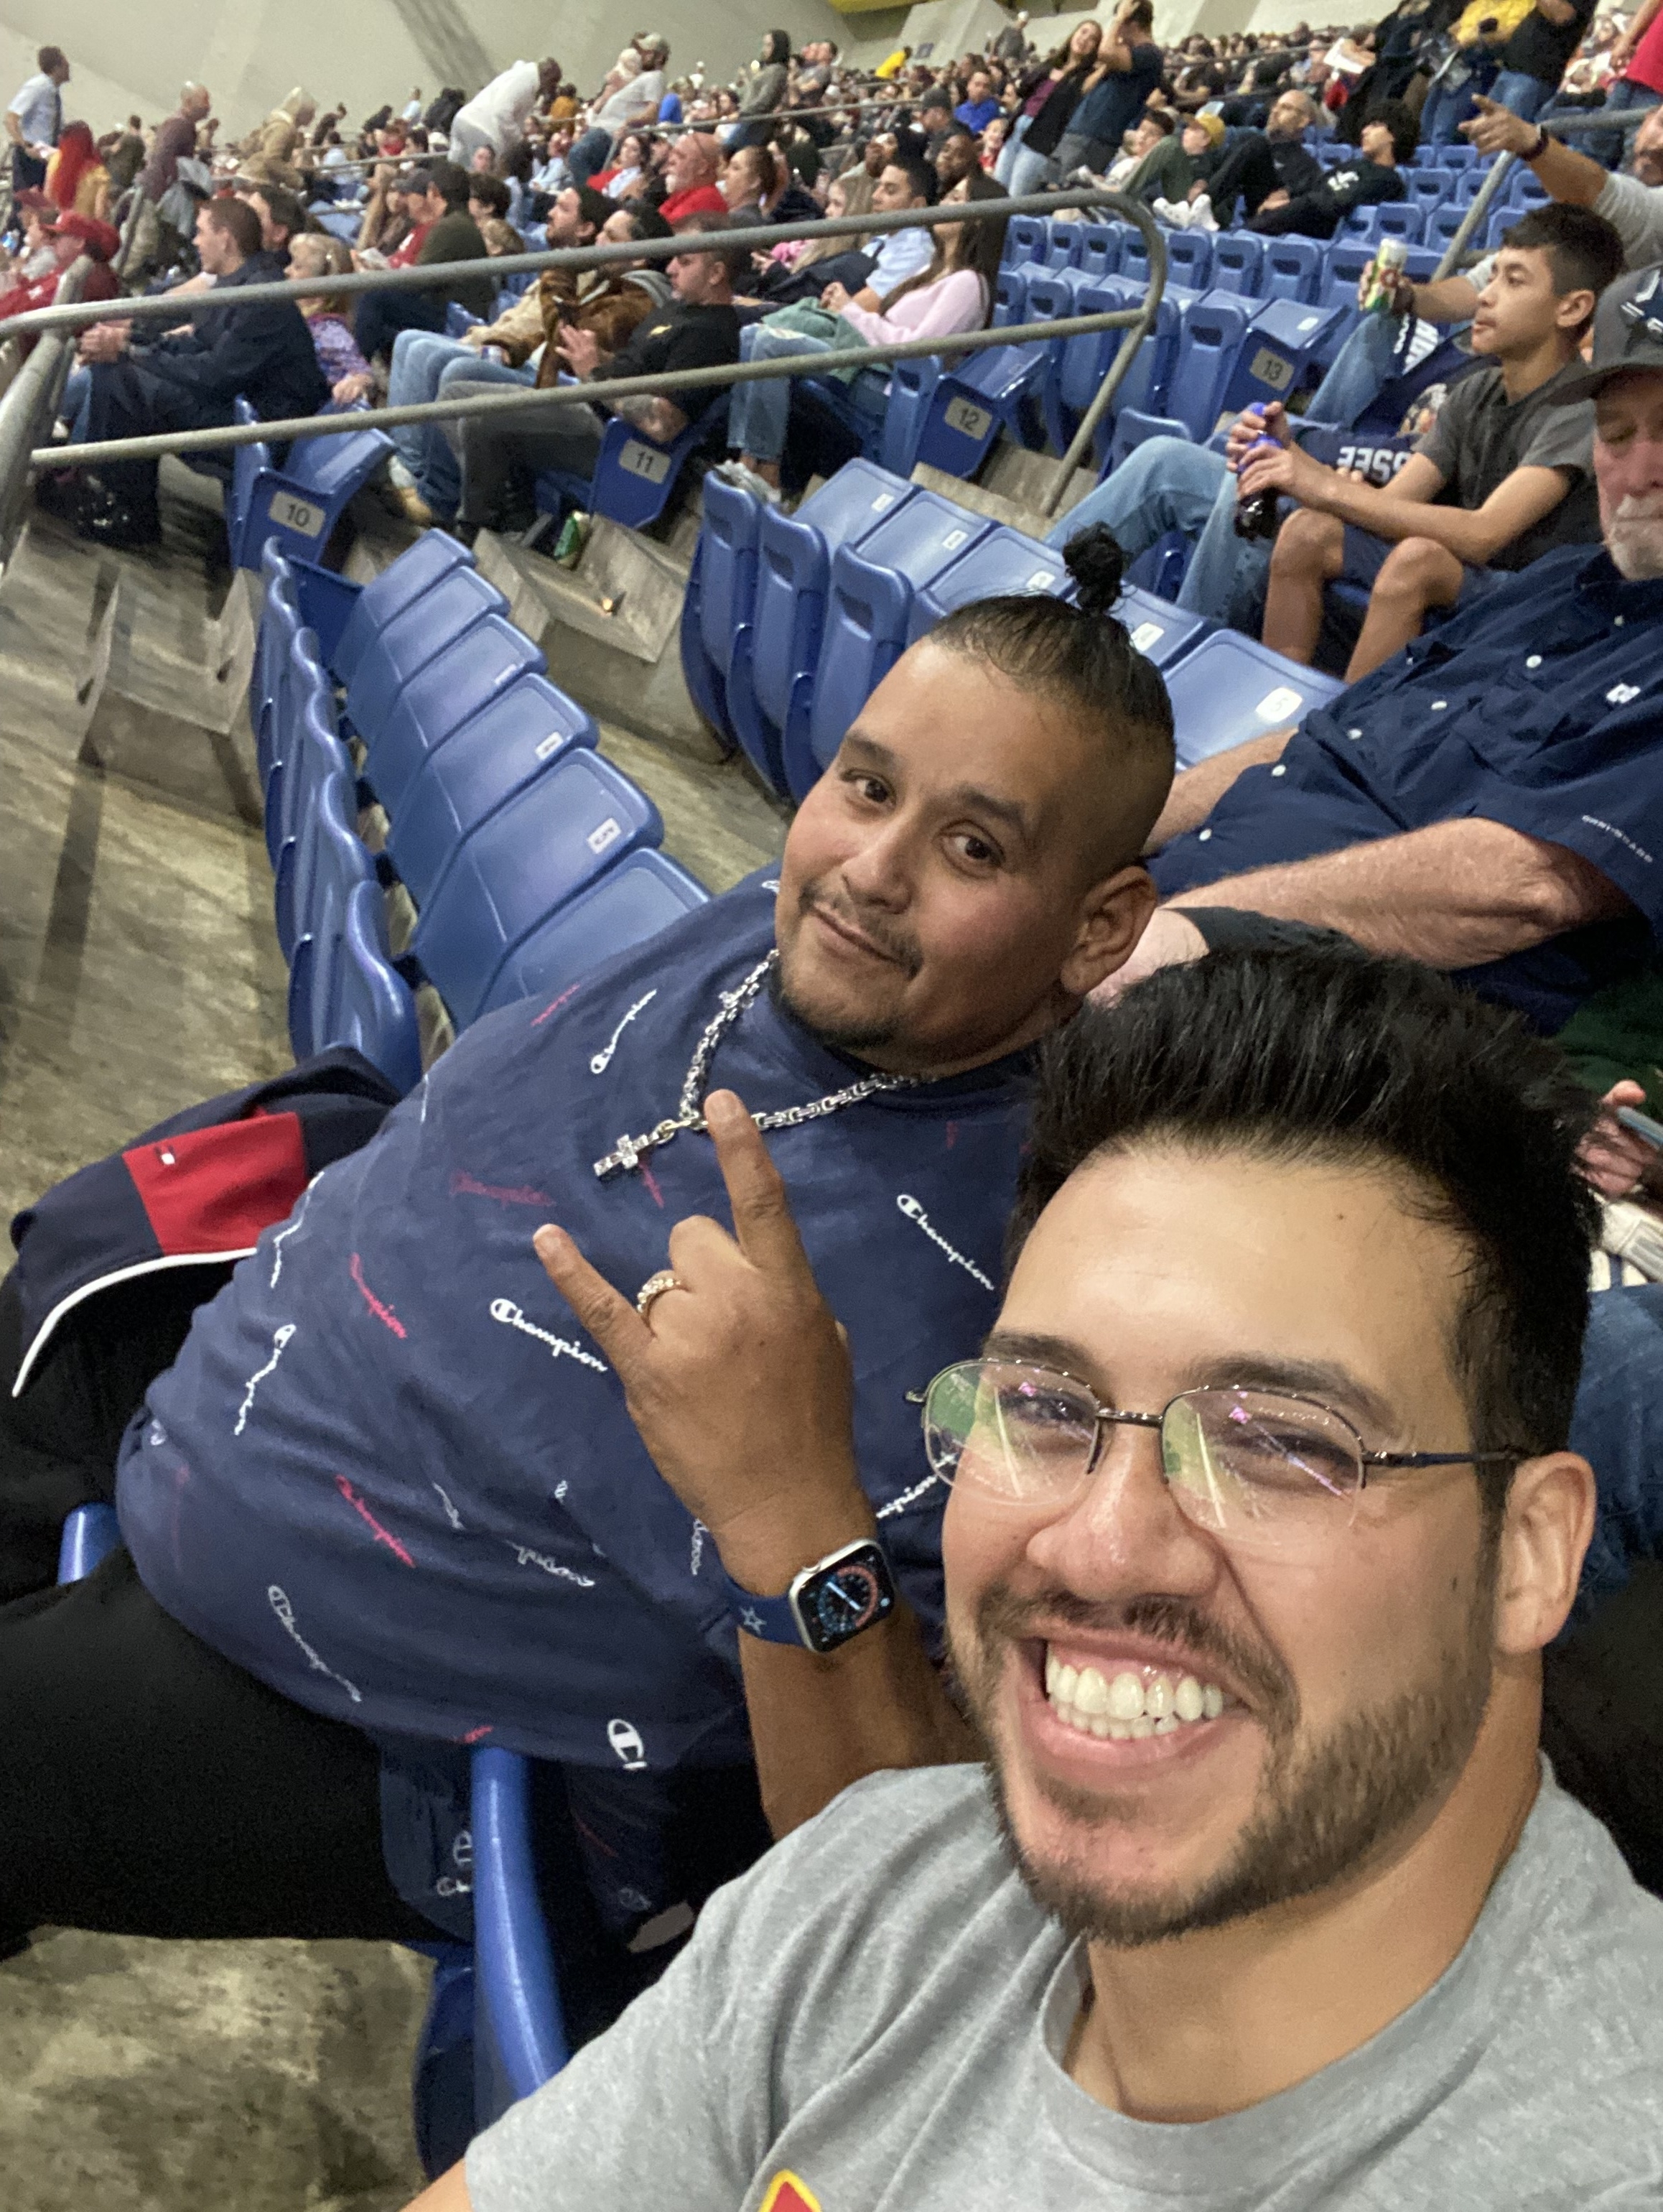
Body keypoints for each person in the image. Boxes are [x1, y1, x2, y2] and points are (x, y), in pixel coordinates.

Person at [0, 534, 1175, 2012]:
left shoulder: (1013, 1293)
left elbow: (897, 1850)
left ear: (1098, 926)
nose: (870, 873)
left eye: (976, 850)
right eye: (868, 786)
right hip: (203, 1404)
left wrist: (796, 1506)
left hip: (374, 1715)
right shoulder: (775, 932)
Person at [411, 937, 1663, 2212]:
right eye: (1047, 1407)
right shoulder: (881, 1894)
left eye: (1279, 1445)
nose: (1101, 1547)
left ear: (1530, 1552)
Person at [1121, 265, 1663, 1041]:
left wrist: (1193, 927)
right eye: (1614, 433)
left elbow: (1526, 887)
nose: (1639, 473)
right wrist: (1113, 831)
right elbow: (1326, 734)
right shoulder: (1555, 583)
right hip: (1179, 923)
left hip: (1295, 1015)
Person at [1245, 203, 1619, 677]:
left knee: (1417, 561)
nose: (1486, 297)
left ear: (1572, 308)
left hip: (1544, 599)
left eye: (1514, 281)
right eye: (1492, 277)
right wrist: (1291, 458)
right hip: (1475, 578)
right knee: (1307, 531)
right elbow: (1394, 503)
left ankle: (1343, 721)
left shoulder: (1581, 405)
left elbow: (1483, 535)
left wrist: (1322, 485)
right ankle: (1278, 693)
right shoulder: (1475, 391)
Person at [60, 195, 327, 549]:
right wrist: (130, 340)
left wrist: (130, 350)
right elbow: (196, 346)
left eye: (202, 232)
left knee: (124, 379)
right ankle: (99, 487)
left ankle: (127, 511)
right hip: (238, 406)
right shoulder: (241, 282)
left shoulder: (260, 296)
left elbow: (212, 375)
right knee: (119, 372)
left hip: (262, 427)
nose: (195, 241)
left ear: (225, 238)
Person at [447, 223, 743, 534]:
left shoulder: (711, 334)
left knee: (481, 418)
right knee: (457, 395)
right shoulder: (678, 309)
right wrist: (593, 355)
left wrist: (593, 374)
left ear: (716, 274)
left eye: (684, 262)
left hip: (617, 437)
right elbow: (635, 371)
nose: (670, 269)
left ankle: (476, 529)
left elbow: (663, 423)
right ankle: (512, 509)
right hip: (594, 404)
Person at [722, 169, 1001, 498]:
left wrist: (851, 311)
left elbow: (920, 350)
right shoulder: (935, 270)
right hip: (869, 361)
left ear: (977, 218)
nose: (944, 203)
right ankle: (747, 462)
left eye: (956, 198)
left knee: (770, 345)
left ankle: (767, 475)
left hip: (889, 383)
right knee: (753, 335)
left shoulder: (968, 284)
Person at [353, 160, 493, 366]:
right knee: (375, 309)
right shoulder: (459, 223)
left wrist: (380, 274)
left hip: (456, 318)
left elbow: (414, 282)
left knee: (374, 297)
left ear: (433, 191)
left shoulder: (448, 228)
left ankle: (357, 369)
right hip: (451, 309)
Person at [1249, 100, 1415, 236]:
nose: (1365, 131)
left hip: (1318, 229)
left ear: (1393, 135)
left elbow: (1333, 204)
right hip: (1296, 218)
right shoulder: (1354, 164)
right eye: (1367, 126)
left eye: (1375, 125)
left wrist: (1287, 205)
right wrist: (1286, 195)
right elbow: (1317, 185)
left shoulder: (1389, 181)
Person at [1174, 87, 1323, 228]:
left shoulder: (1307, 167)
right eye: (1275, 106)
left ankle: (1196, 207)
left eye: (1286, 108)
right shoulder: (1247, 146)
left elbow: (1295, 206)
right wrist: (1202, 181)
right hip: (1229, 213)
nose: (1275, 111)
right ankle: (1196, 206)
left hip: (1265, 221)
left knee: (1257, 145)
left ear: (1303, 121)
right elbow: (1218, 168)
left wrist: (1287, 197)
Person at [1054, 0, 1163, 180]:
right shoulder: (1125, 55)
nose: (1116, 30)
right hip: (1079, 132)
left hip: (1096, 138)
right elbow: (1086, 86)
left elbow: (1104, 52)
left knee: (1065, 190)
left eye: (1119, 23)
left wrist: (1119, 18)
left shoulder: (1150, 54)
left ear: (1132, 24)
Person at [997, 19, 1104, 197]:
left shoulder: (1085, 77)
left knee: (1015, 197)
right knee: (996, 190)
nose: (1085, 39)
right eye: (1083, 32)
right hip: (1017, 128)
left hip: (1040, 140)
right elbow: (1023, 89)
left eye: (1093, 38)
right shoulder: (1051, 64)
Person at [287, 231, 373, 398]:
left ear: (320, 286)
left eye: (298, 267)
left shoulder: (329, 330)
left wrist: (356, 381)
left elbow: (363, 374)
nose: (287, 271)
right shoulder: (296, 317)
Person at [1490, 0, 1600, 123]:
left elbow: (1562, 15)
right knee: (1486, 127)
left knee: (1506, 128)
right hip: (1511, 67)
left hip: (1535, 74)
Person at [449, 58, 562, 171]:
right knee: (479, 177)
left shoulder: (521, 75)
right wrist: (519, 139)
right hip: (483, 129)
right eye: (552, 82)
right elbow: (502, 112)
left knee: (452, 171)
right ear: (546, 76)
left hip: (465, 119)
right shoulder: (525, 82)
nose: (551, 88)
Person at [5, 44, 67, 197]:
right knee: (24, 203)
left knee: (37, 203)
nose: (68, 69)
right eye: (66, 65)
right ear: (56, 68)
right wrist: (25, 146)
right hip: (31, 154)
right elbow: (11, 118)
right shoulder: (38, 87)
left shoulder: (52, 91)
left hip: (45, 155)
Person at [45, 120, 108, 223]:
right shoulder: (99, 173)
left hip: (56, 222)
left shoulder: (57, 159)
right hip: (81, 227)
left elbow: (47, 195)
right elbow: (99, 213)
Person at [658, 131, 726, 223]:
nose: (671, 160)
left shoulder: (705, 200)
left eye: (680, 156)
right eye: (673, 154)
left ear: (702, 167)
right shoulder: (684, 191)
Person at [955, 68, 1002, 134]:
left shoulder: (992, 109)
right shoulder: (959, 110)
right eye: (977, 84)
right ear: (968, 86)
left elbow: (973, 131)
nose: (981, 90)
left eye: (985, 86)